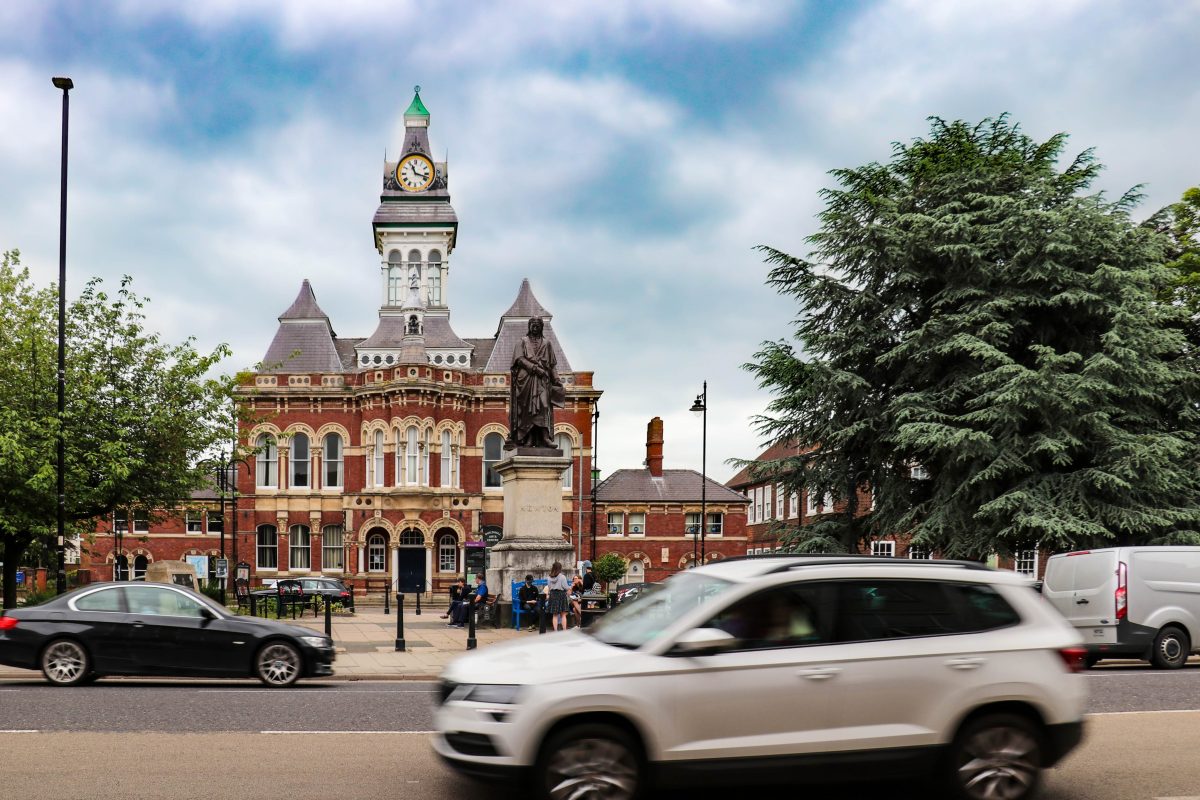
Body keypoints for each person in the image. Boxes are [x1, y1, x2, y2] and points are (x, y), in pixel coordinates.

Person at [505, 317, 564, 450]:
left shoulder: (547, 343)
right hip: (525, 381)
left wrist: (557, 380)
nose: (535, 327)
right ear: (529, 326)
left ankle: (544, 437)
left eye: (538, 325)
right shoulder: (522, 342)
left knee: (543, 406)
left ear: (541, 327)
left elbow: (552, 366)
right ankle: (528, 437)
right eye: (533, 325)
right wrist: (535, 368)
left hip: (542, 381)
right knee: (526, 410)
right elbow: (519, 359)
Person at [544, 561, 571, 631]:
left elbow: (549, 587)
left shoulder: (549, 577)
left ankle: (555, 631)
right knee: (563, 615)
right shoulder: (562, 577)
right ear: (560, 568)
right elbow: (566, 587)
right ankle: (564, 630)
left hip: (553, 595)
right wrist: (570, 588)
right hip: (561, 595)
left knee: (555, 615)